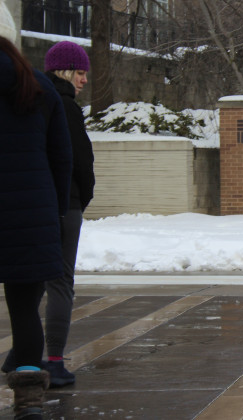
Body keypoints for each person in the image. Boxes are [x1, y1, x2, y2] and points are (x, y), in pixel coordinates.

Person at [0, 1, 73, 417]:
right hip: (30, 217)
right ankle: (28, 400)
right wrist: (54, 212)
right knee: (25, 310)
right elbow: (61, 160)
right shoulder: (40, 89)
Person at [41, 41, 95, 387]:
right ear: (64, 72)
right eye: (80, 72)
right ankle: (55, 360)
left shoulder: (33, 104)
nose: (84, 80)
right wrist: (81, 199)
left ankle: (23, 354)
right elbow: (80, 163)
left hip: (37, 206)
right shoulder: (67, 109)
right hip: (65, 205)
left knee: (31, 282)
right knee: (61, 283)